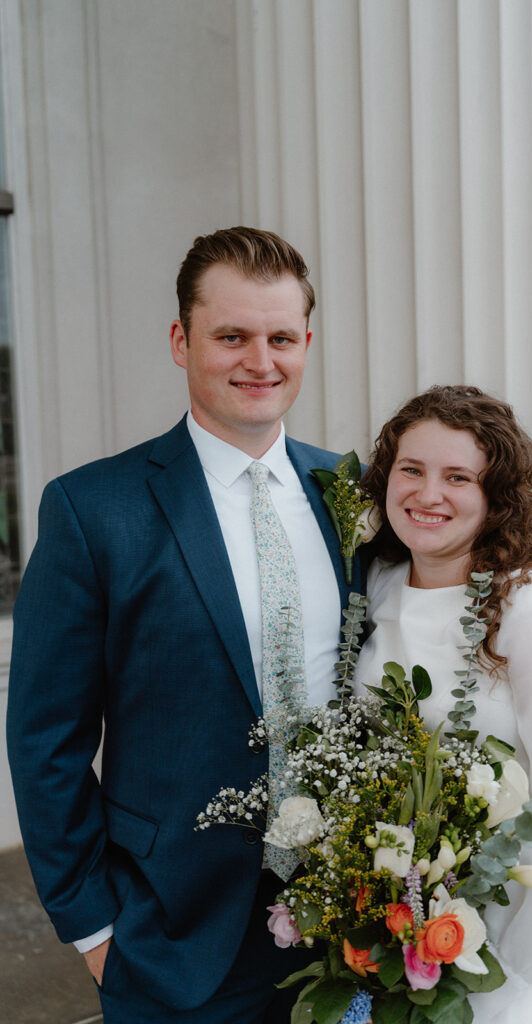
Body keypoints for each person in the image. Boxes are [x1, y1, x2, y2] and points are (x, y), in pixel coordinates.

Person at [6, 227, 364, 1023]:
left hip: (348, 917)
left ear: (306, 342)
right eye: (230, 336)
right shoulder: (93, 508)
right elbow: (44, 738)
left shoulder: (348, 489)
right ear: (181, 340)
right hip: (171, 935)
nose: (259, 361)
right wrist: (93, 927)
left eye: (280, 337)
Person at [354, 384, 532, 1023]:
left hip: (515, 952)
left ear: (496, 496)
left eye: (458, 476)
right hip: (397, 934)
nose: (428, 495)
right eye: (412, 469)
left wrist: (509, 975)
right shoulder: (375, 586)